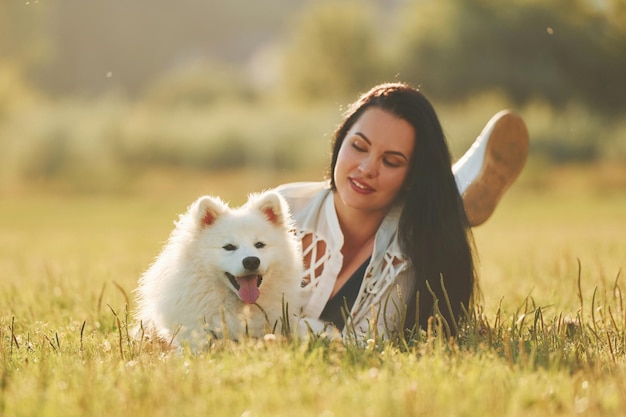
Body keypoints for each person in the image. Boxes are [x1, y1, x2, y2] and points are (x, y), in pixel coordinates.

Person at [275, 82, 529, 339]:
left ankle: (446, 197)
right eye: (359, 146)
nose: (367, 168)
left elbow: (366, 344)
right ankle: (455, 191)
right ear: (340, 140)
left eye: (391, 161)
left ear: (411, 177)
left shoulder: (407, 259)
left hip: (407, 230)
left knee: (427, 225)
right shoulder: (285, 208)